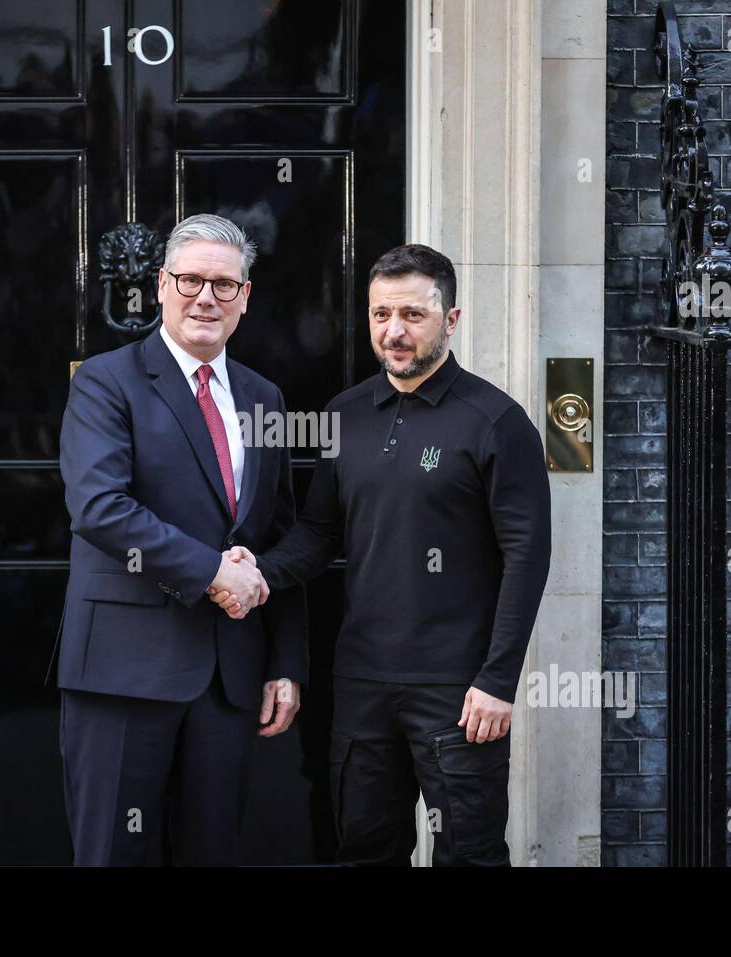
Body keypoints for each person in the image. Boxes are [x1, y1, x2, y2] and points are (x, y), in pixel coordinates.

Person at [210, 243, 551, 866]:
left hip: (459, 691)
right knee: (365, 851)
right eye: (380, 314)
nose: (394, 331)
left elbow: (528, 557)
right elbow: (319, 536)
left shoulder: (496, 422)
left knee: (470, 855)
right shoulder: (345, 414)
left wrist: (498, 680)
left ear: (450, 320)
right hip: (362, 681)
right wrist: (254, 570)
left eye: (413, 316)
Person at [49, 213, 307, 865]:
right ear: (162, 285)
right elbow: (100, 508)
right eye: (191, 279)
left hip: (228, 676)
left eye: (224, 284)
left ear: (246, 297)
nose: (206, 297)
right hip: (122, 670)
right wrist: (215, 573)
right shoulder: (107, 382)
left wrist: (285, 662)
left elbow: (277, 532)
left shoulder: (265, 397)